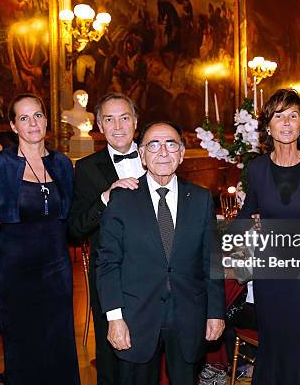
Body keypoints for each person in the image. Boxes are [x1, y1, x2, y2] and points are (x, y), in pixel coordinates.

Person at [96, 121, 225, 385]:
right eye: (153, 145)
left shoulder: (201, 199)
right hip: (136, 318)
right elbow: (108, 263)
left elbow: (212, 261)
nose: (163, 152)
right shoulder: (121, 199)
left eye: (171, 144)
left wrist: (215, 312)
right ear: (142, 155)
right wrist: (114, 319)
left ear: (181, 153)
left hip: (189, 316)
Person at [0, 93, 79, 384]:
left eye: (38, 115)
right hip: (14, 272)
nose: (32, 123)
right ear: (13, 126)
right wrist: (4, 255)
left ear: (46, 120)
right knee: (23, 343)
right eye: (24, 117)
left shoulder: (62, 164)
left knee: (59, 341)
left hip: (57, 269)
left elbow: (69, 212)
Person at [237, 89, 300, 384]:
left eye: (293, 115)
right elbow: (246, 216)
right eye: (279, 116)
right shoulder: (257, 168)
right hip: (269, 273)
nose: (286, 122)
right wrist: (250, 224)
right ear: (268, 125)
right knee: (272, 342)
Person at [68, 92, 144, 385]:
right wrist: (105, 197)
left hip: (157, 274)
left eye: (124, 117)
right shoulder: (87, 168)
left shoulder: (158, 155)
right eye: (108, 119)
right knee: (111, 361)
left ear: (135, 122)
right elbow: (75, 228)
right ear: (99, 124)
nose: (117, 126)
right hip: (110, 278)